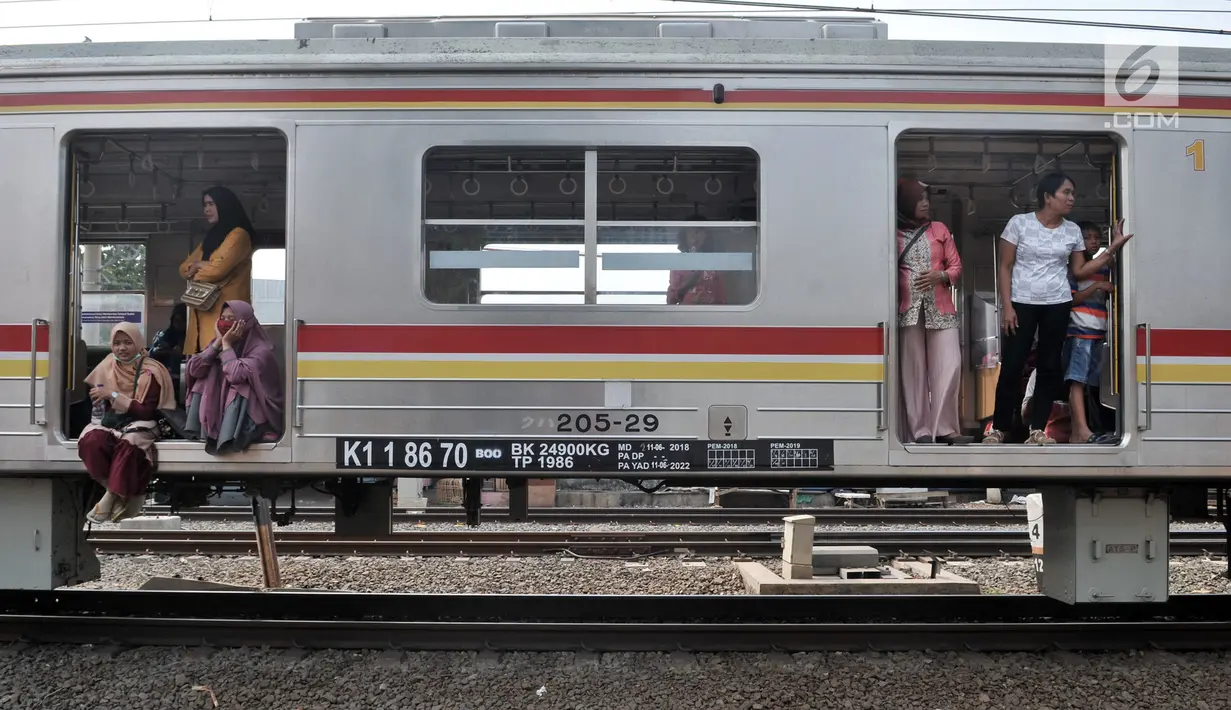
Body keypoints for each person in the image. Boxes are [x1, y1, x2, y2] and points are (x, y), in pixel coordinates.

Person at [983, 172, 1133, 445]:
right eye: (1066, 192)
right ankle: (998, 428)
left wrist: (1111, 249)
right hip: (1021, 303)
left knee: (1050, 367)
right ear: (1047, 197)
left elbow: (1078, 271)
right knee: (1013, 366)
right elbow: (1004, 267)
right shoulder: (1019, 223)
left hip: (1057, 304)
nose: (1071, 198)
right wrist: (1007, 307)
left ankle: (1037, 430)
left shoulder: (1071, 230)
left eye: (1072, 193)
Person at [895, 178, 972, 445]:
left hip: (941, 309)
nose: (925, 203)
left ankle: (946, 429)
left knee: (950, 366)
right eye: (919, 199)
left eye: (927, 197)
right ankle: (920, 432)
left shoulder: (939, 228)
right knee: (913, 372)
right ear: (905, 202)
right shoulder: (890, 234)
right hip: (908, 312)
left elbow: (957, 267)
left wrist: (941, 275)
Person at [79, 322, 177, 524]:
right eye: (116, 343)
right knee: (91, 441)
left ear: (138, 344)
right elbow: (98, 405)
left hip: (143, 422)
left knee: (130, 444)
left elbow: (147, 411)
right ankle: (122, 494)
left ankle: (108, 499)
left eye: (127, 343)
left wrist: (113, 394)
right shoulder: (107, 365)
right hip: (113, 421)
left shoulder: (152, 371)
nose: (121, 348)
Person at [183, 300, 284, 454]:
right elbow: (194, 370)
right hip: (223, 411)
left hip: (252, 419)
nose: (226, 323)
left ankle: (235, 433)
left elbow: (236, 376)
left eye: (232, 319)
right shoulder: (220, 342)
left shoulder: (262, 350)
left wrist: (227, 346)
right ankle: (208, 430)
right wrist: (218, 343)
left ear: (246, 322)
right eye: (223, 318)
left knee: (240, 386)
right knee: (204, 378)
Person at [179, 186, 255, 356]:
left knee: (225, 368)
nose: (206, 209)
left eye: (211, 204)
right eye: (205, 205)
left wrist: (198, 266)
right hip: (203, 311)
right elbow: (184, 268)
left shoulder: (238, 235)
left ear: (224, 204)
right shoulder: (212, 237)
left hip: (226, 315)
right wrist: (202, 265)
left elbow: (217, 271)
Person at [1064, 222, 1117, 444]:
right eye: (1088, 238)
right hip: (1079, 331)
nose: (1093, 241)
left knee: (1092, 383)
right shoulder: (1071, 270)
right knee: (1077, 381)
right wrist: (1095, 287)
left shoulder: (1104, 267)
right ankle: (1084, 431)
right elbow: (1070, 299)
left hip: (1099, 331)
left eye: (1096, 237)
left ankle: (1082, 432)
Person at [666, 216, 727, 305]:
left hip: (710, 313)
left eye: (698, 232)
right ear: (684, 236)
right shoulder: (678, 263)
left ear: (705, 236)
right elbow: (672, 300)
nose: (694, 237)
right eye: (691, 232)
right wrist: (689, 283)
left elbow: (721, 296)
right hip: (686, 313)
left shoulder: (714, 261)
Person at [149, 303, 188, 405]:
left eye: (182, 321)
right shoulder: (164, 335)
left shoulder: (193, 337)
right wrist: (166, 351)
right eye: (176, 321)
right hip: (165, 378)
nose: (179, 324)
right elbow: (151, 354)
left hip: (186, 379)